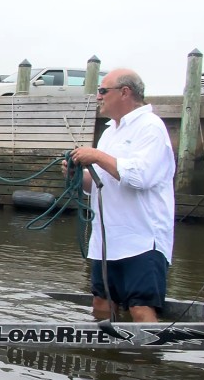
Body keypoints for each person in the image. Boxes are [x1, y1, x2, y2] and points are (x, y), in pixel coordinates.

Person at [64, 69, 175, 323]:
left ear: (125, 92)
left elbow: (140, 177)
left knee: (141, 308)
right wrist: (75, 175)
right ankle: (107, 360)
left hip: (143, 239)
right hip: (108, 240)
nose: (98, 97)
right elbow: (98, 185)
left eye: (103, 91)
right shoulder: (109, 132)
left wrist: (97, 156)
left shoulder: (150, 127)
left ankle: (147, 361)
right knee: (102, 303)